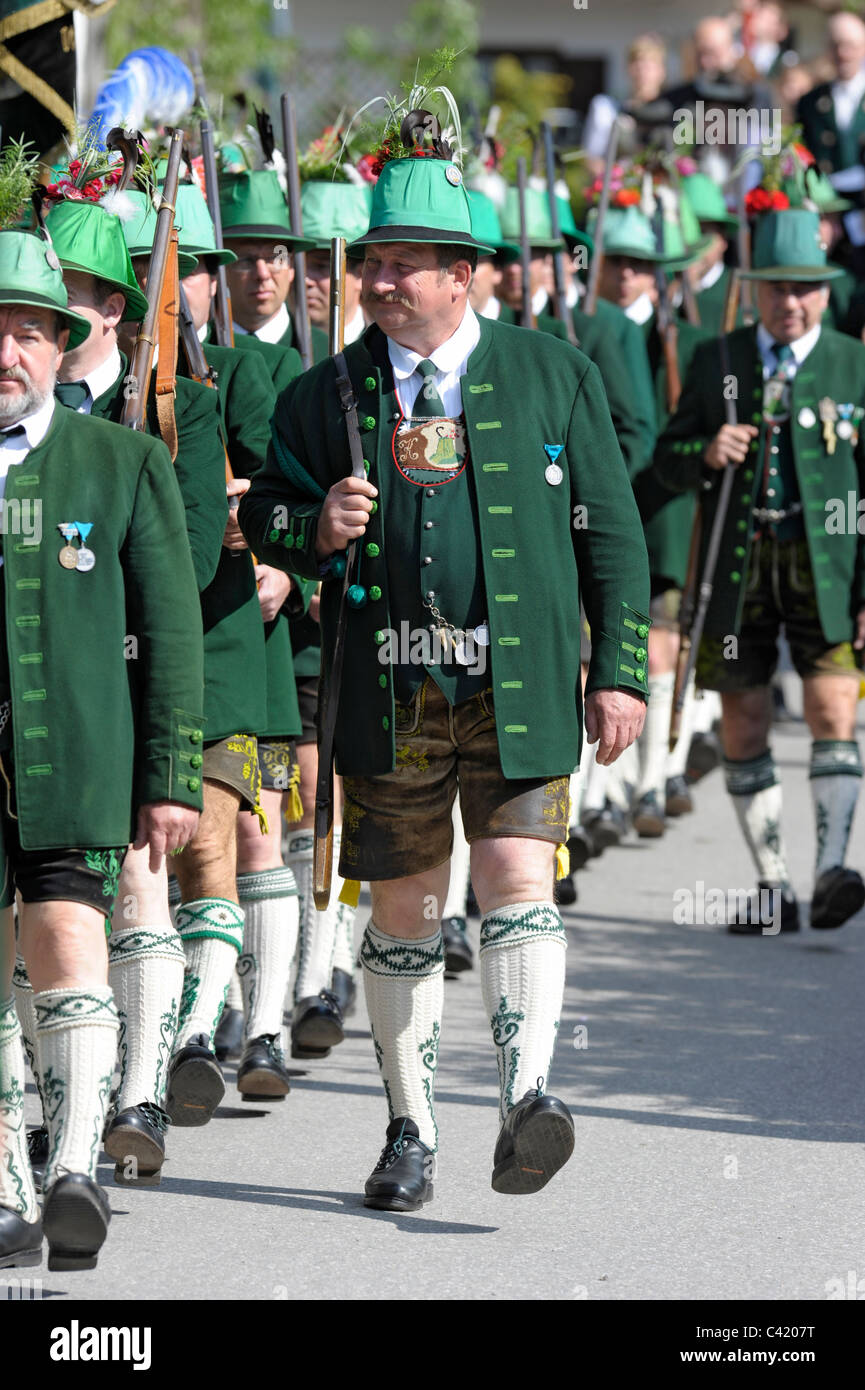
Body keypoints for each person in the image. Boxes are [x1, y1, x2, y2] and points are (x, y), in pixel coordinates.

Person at [240, 126, 651, 1209]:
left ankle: (527, 1100)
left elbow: (609, 531)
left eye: (400, 264)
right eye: (371, 261)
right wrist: (314, 522)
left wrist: (618, 670)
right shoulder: (326, 395)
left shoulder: (550, 372)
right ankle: (411, 1130)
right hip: (388, 683)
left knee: (520, 875)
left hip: (514, 678)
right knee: (409, 909)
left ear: (462, 275)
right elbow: (270, 512)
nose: (375, 280)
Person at [11, 189, 227, 1193]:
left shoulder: (124, 458)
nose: (7, 351)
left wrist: (173, 772)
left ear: (61, 345)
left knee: (68, 937)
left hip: (80, 756)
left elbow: (175, 625)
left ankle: (73, 1168)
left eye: (27, 331)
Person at [656, 207, 865, 934]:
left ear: (825, 292)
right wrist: (705, 450)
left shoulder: (852, 363)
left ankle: (832, 870)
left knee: (833, 710)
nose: (790, 302)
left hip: (829, 565)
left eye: (804, 289)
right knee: (743, 716)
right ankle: (772, 883)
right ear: (755, 290)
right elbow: (665, 461)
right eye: (776, 288)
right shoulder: (719, 359)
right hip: (738, 564)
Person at [594, 199, 712, 834]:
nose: (626, 277)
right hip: (606, 505)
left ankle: (652, 781)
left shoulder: (688, 344)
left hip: (664, 509)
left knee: (661, 643)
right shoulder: (586, 329)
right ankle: (607, 790)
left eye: (640, 265)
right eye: (617, 263)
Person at [220, 169, 326, 363]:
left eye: (276, 257)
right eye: (245, 260)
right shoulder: (200, 351)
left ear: (292, 266)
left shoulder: (327, 353)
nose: (262, 274)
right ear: (221, 270)